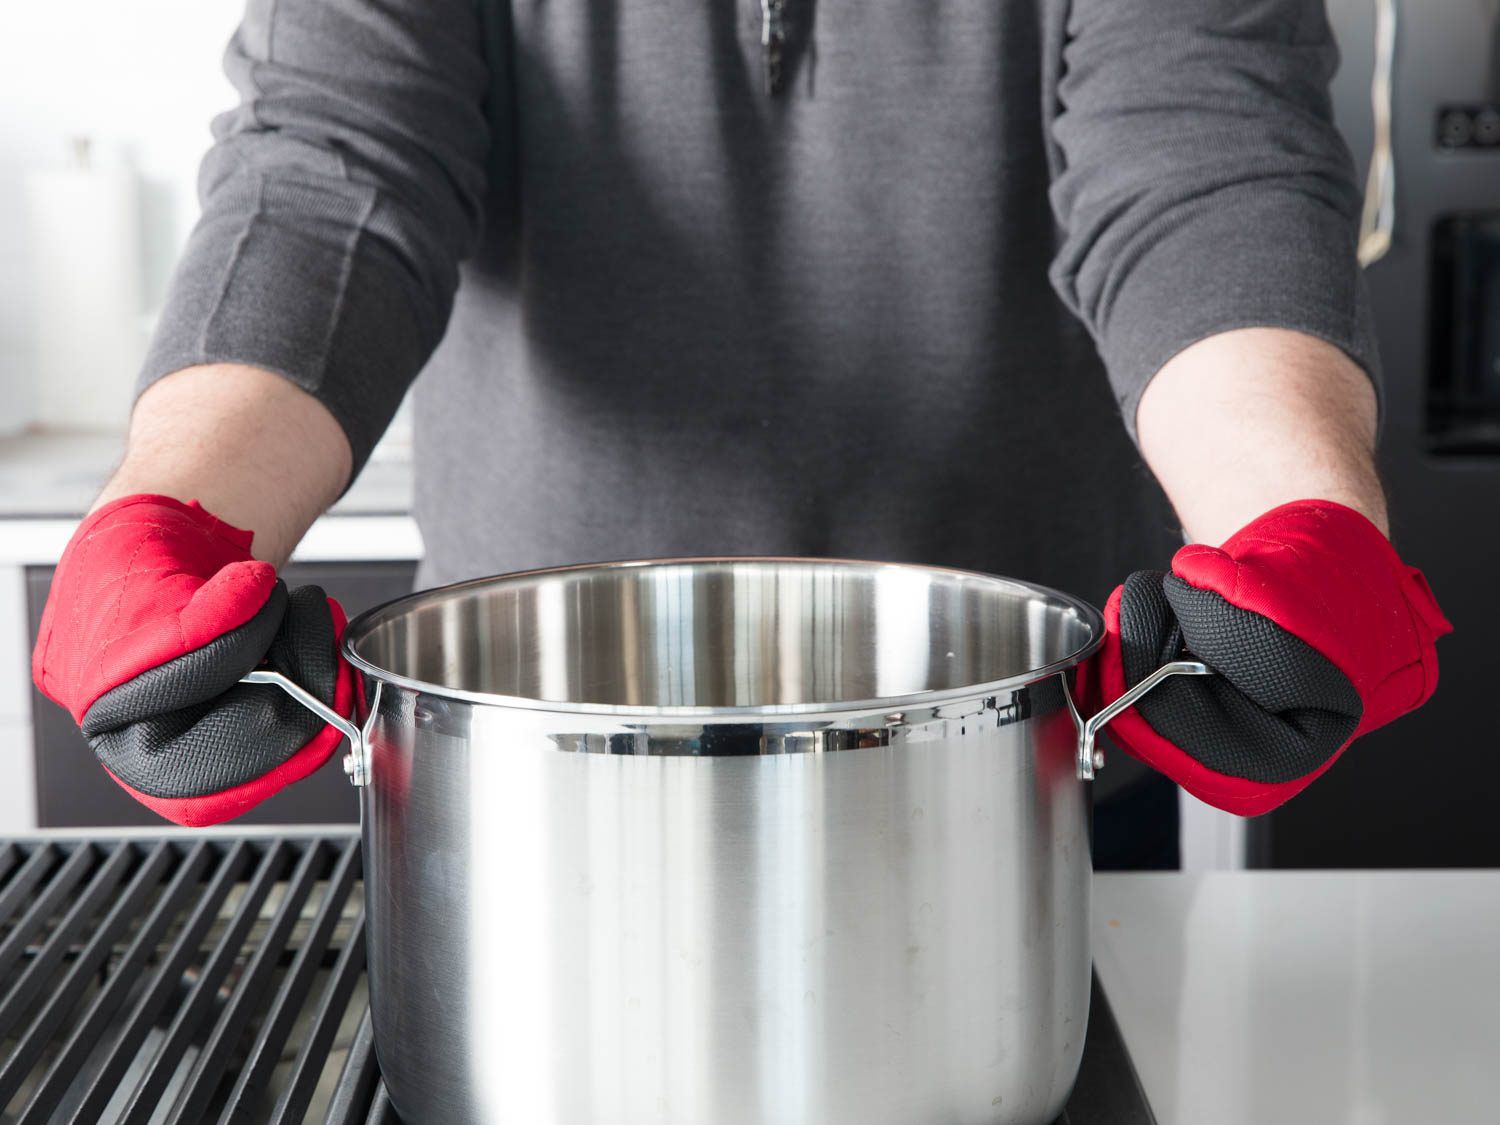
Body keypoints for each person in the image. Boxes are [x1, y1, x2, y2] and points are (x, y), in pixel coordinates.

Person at [30, 0, 1449, 860]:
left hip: (1025, 776)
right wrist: (174, 512)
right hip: (534, 794)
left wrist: (1292, 513)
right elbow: (334, 166)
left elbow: (1202, 163)